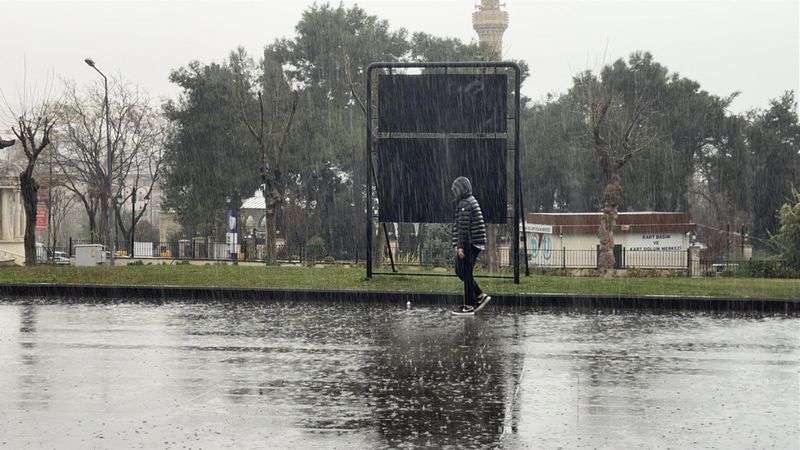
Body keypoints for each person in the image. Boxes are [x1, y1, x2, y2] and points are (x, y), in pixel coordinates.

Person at [451, 176, 491, 315]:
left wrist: (460, 246)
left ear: (461, 190)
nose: (454, 193)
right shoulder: (469, 200)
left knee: (465, 273)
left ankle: (469, 305)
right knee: (462, 271)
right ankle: (479, 296)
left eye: (455, 190)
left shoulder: (465, 204)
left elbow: (463, 227)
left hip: (470, 242)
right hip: (474, 242)